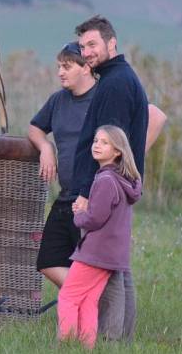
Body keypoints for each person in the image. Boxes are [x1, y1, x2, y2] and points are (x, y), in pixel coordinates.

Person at [29, 42, 166, 289]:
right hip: (68, 195)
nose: (60, 72)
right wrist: (45, 147)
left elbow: (155, 115)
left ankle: (91, 308)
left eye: (66, 66)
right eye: (59, 66)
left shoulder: (106, 93)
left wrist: (126, 161)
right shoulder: (58, 101)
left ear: (85, 68)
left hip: (97, 194)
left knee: (98, 264)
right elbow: (35, 127)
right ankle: (85, 296)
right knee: (48, 260)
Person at [71, 15, 150, 342]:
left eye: (92, 45)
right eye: (82, 47)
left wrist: (89, 191)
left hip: (106, 188)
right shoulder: (118, 78)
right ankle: (122, 337)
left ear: (111, 43)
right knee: (116, 265)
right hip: (115, 186)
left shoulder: (117, 84)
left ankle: (110, 338)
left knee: (106, 267)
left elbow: (110, 141)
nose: (86, 52)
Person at [58, 125, 142, 349]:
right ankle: (85, 346)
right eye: (96, 140)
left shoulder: (105, 181)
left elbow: (95, 218)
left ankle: (66, 345)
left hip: (94, 254)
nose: (97, 145)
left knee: (68, 296)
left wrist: (79, 215)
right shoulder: (123, 181)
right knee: (88, 301)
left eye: (105, 142)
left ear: (117, 152)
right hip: (111, 256)